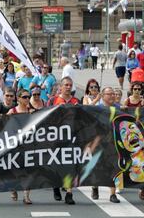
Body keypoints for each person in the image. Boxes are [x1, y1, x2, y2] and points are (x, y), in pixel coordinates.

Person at [47, 77, 78, 205]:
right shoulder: (53, 100)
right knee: (56, 164)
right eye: (66, 85)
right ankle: (56, 186)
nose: (68, 87)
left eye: (70, 85)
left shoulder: (76, 101)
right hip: (56, 137)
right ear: (61, 86)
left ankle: (69, 193)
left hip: (71, 137)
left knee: (70, 165)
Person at [90, 87, 120, 203]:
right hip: (99, 141)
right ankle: (95, 187)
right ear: (103, 96)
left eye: (113, 94)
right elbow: (85, 110)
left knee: (113, 168)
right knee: (97, 166)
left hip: (114, 142)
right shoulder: (97, 108)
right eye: (109, 94)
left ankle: (112, 194)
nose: (112, 96)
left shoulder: (118, 107)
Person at [7, 89, 35, 204]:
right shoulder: (12, 111)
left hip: (29, 144)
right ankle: (13, 187)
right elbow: (2, 123)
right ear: (18, 98)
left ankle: (26, 196)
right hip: (15, 145)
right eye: (24, 97)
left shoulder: (32, 111)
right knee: (15, 169)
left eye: (28, 97)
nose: (27, 99)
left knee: (29, 170)